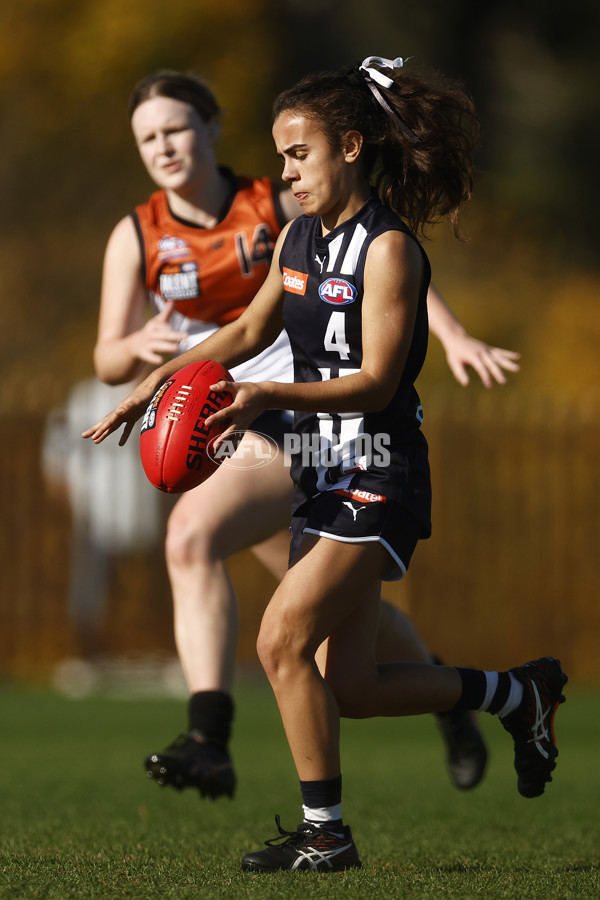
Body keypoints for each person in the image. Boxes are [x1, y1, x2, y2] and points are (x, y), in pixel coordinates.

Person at [85, 55, 566, 872]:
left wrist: (268, 395)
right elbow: (238, 334)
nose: (285, 173)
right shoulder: (300, 238)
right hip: (319, 472)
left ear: (349, 146)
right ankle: (517, 695)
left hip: (379, 468)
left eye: (297, 155)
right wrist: (149, 385)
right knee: (356, 688)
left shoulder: (389, 252)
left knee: (279, 644)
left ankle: (325, 835)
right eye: (278, 158)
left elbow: (378, 379)